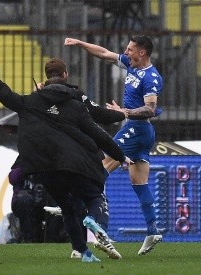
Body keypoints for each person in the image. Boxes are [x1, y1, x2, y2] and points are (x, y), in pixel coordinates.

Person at [0, 54, 131, 263]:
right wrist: (120, 156)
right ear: (66, 75)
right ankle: (93, 220)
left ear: (45, 77)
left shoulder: (29, 102)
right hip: (75, 164)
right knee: (95, 196)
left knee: (67, 208)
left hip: (44, 168)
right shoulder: (76, 104)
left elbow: (4, 93)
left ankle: (83, 252)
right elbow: (98, 134)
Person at [64, 36, 164, 255]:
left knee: (100, 168)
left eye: (130, 50)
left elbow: (150, 109)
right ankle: (152, 230)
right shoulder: (131, 64)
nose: (126, 53)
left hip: (138, 129)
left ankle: (85, 215)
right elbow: (103, 53)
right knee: (139, 182)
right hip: (138, 130)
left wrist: (124, 112)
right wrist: (81, 44)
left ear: (142, 53)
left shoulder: (152, 77)